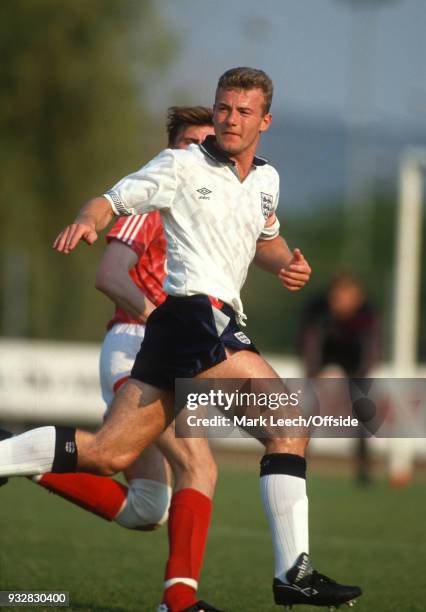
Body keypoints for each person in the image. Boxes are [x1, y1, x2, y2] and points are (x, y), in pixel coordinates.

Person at [0, 67, 362, 609]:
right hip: (196, 316)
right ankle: (292, 574)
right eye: (223, 107)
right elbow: (110, 200)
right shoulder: (179, 164)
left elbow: (265, 236)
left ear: (266, 120)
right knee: (288, 424)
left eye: (243, 111)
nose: (229, 119)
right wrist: (87, 219)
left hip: (177, 330)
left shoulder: (266, 180)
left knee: (106, 454)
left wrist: (288, 262)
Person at [2, 107, 219, 612]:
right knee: (199, 464)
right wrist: (162, 317)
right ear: (172, 148)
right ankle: (180, 601)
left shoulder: (207, 207)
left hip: (164, 350)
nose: (197, 151)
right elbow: (110, 273)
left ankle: (17, 453)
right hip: (138, 344)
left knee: (147, 508)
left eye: (206, 143)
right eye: (188, 142)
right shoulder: (155, 198)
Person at [300, 272, 380, 484]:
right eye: (339, 296)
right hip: (325, 353)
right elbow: (311, 343)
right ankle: (297, 460)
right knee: (307, 407)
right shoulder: (318, 309)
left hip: (353, 359)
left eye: (348, 296)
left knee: (362, 410)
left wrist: (362, 376)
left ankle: (364, 469)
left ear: (358, 298)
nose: (343, 302)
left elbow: (371, 348)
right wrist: (312, 373)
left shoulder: (366, 314)